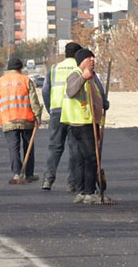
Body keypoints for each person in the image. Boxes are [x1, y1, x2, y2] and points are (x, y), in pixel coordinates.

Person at [63, 48, 111, 204]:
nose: (93, 61)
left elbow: (97, 95)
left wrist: (104, 103)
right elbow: (71, 91)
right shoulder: (76, 75)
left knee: (84, 158)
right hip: (82, 122)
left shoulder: (92, 77)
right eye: (90, 59)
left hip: (90, 121)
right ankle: (88, 192)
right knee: (90, 158)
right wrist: (84, 77)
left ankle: (82, 191)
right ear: (82, 60)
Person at [0, 56, 44, 184]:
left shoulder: (0, 81)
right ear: (20, 68)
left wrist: (1, 112)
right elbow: (33, 100)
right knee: (28, 147)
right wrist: (38, 115)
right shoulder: (25, 80)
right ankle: (28, 174)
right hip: (26, 119)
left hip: (8, 120)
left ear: (8, 69)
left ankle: (16, 173)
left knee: (13, 148)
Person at [42, 42, 82, 191]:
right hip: (74, 112)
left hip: (57, 111)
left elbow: (46, 91)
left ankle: (48, 179)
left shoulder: (54, 69)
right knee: (74, 148)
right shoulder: (79, 69)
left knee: (54, 147)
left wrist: (50, 108)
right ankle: (71, 183)